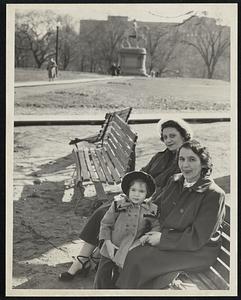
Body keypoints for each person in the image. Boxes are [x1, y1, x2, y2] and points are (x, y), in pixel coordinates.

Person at [58, 118, 193, 281]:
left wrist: (142, 201)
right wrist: (132, 193)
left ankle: (86, 260)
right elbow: (143, 173)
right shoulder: (161, 156)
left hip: (157, 207)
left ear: (184, 135)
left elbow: (171, 190)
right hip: (140, 198)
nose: (168, 140)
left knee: (110, 213)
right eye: (165, 137)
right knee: (106, 210)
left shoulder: (186, 160)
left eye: (172, 135)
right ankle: (83, 259)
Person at [115, 139, 226, 289]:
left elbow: (198, 237)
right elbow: (156, 206)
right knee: (123, 244)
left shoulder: (213, 194)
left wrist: (162, 239)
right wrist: (134, 209)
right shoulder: (175, 180)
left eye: (192, 159)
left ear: (204, 163)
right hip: (169, 237)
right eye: (181, 159)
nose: (185, 165)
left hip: (197, 251)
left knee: (138, 259)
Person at [94, 171, 159, 289]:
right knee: (102, 276)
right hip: (110, 247)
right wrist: (107, 243)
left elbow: (156, 226)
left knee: (120, 279)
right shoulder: (118, 205)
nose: (136, 194)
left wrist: (148, 236)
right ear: (128, 190)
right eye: (133, 190)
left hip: (129, 250)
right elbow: (105, 224)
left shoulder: (150, 210)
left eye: (141, 191)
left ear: (147, 193)